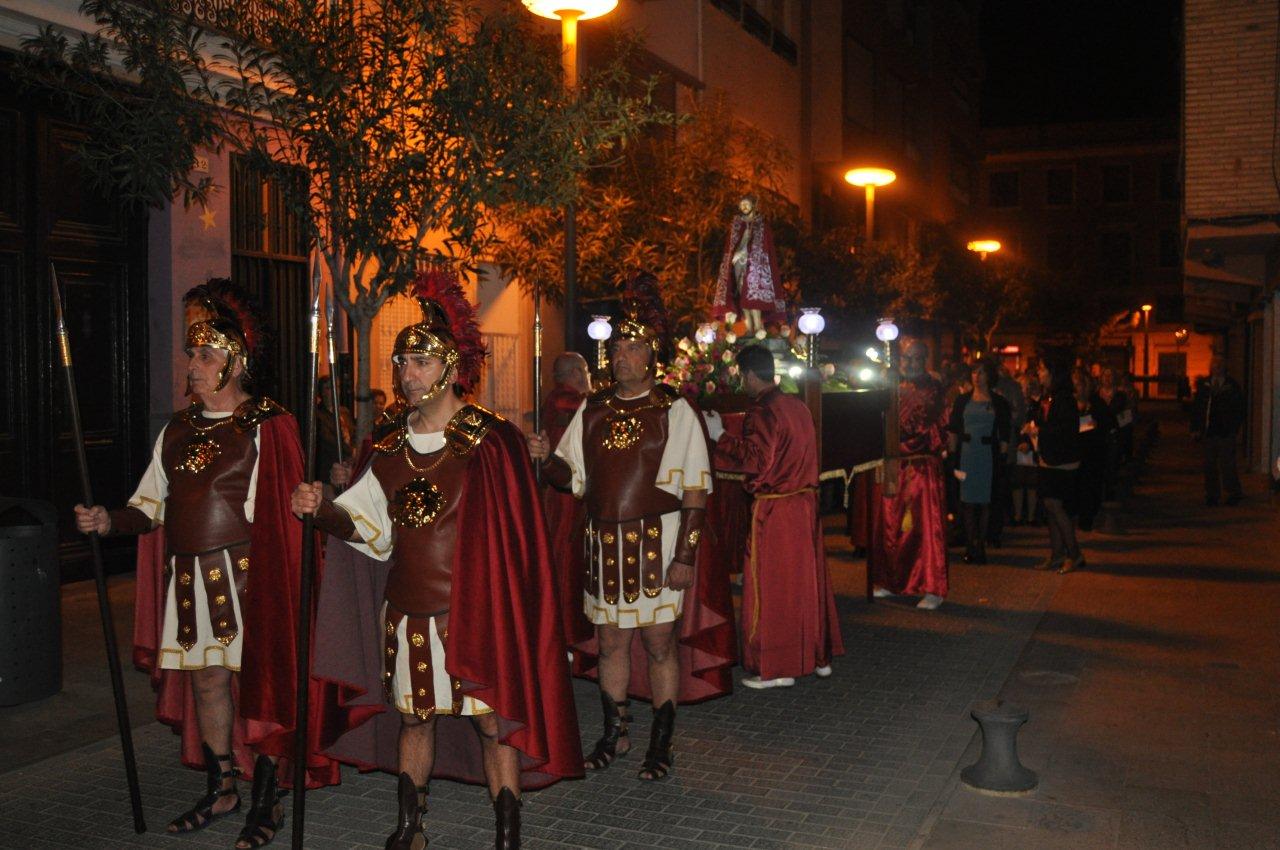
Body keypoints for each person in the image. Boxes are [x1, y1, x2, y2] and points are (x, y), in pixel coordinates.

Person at [295, 271, 581, 850]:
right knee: (414, 719)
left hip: (475, 612)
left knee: (491, 721)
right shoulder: (388, 443)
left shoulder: (490, 440)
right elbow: (368, 527)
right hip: (408, 612)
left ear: (449, 368)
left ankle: (506, 832)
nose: (407, 374)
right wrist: (322, 511)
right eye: (401, 364)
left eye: (419, 363)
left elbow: (516, 540)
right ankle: (410, 825)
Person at [74, 289, 334, 848]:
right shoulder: (176, 429)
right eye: (191, 356)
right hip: (190, 581)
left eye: (205, 357)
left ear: (235, 363)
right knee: (209, 683)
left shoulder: (270, 425)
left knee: (260, 684)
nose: (191, 367)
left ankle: (267, 800)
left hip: (250, 578)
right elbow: (150, 506)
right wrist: (108, 521)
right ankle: (223, 785)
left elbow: (285, 517)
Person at [528, 272, 731, 782]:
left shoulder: (673, 408)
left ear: (651, 354)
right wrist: (541, 458)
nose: (622, 355)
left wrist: (685, 555)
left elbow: (695, 490)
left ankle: (661, 743)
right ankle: (614, 733)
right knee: (612, 643)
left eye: (633, 346)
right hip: (603, 543)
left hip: (657, 542)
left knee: (660, 643)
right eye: (618, 346)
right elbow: (567, 477)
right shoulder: (592, 409)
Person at [711, 344, 843, 688]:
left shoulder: (763, 409)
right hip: (804, 505)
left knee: (773, 588)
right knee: (805, 582)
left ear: (750, 374)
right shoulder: (797, 405)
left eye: (741, 375)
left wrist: (719, 437)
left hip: (777, 508)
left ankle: (777, 665)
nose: (741, 382)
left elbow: (756, 460)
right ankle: (817, 656)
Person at [868, 340, 950, 609]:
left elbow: (918, 423)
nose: (910, 364)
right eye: (906, 358)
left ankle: (932, 587)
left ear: (924, 359)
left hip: (921, 467)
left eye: (916, 358)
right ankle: (893, 582)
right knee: (891, 527)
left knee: (925, 529)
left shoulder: (932, 387)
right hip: (894, 465)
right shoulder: (892, 383)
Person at [541, 352, 594, 651]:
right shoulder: (565, 399)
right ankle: (564, 633)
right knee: (566, 559)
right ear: (576, 372)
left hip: (571, 490)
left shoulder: (562, 398)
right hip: (565, 495)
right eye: (586, 371)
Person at [948, 359, 1011, 565]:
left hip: (986, 455)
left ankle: (981, 544)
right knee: (966, 502)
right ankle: (969, 544)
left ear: (989, 376)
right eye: (974, 372)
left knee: (984, 502)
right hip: (966, 454)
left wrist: (1002, 458)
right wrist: (951, 456)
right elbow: (954, 429)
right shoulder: (962, 400)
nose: (977, 376)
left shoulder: (998, 402)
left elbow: (1005, 433)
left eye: (981, 372)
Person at [1028, 359, 1084, 573]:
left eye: (1043, 369)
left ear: (1053, 373)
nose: (1039, 373)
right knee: (1050, 508)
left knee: (1055, 505)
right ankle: (1057, 555)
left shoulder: (1065, 399)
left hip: (1062, 461)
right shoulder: (1048, 396)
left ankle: (1075, 553)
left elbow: (1064, 429)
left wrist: (1040, 430)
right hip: (1048, 458)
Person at [711, 195, 786, 336]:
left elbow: (764, 246)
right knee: (741, 294)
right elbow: (732, 245)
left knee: (753, 295)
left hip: (755, 265)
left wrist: (751, 252)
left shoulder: (761, 224)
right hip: (738, 263)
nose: (744, 206)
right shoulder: (736, 224)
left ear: (753, 206)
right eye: (741, 204)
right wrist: (735, 255)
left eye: (747, 204)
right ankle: (750, 327)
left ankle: (758, 326)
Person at [1192, 356, 1245, 506]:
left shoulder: (1232, 386)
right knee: (1209, 465)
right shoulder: (1205, 385)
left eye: (1220, 365)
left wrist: (1234, 428)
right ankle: (1212, 494)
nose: (1217, 368)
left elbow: (1239, 409)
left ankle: (1233, 492)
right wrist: (1195, 428)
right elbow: (1197, 408)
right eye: (1215, 366)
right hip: (1209, 431)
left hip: (1226, 432)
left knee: (1227, 464)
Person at [1073, 370, 1117, 531]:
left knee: (1090, 485)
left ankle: (1088, 517)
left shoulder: (1096, 403)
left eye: (1078, 385)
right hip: (1075, 450)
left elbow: (1109, 423)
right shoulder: (1070, 404)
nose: (1076, 388)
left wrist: (1097, 426)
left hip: (1093, 450)